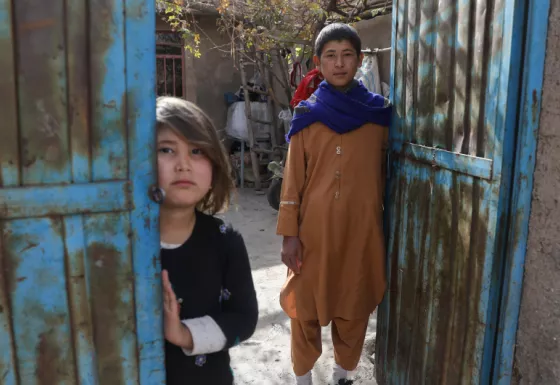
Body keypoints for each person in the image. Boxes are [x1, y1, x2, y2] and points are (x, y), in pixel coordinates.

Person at [276, 23, 392, 385]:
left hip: (362, 231)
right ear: (318, 62)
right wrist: (288, 235)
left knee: (355, 305)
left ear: (359, 60)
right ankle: (304, 378)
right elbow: (292, 181)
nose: (339, 63)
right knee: (304, 308)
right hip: (314, 234)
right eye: (331, 55)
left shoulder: (381, 116)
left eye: (347, 55)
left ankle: (344, 375)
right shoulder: (306, 115)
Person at [156, 96, 258, 385]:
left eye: (197, 151)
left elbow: (243, 318)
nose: (183, 165)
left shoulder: (226, 243)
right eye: (166, 150)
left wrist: (183, 333)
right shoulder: (117, 244)